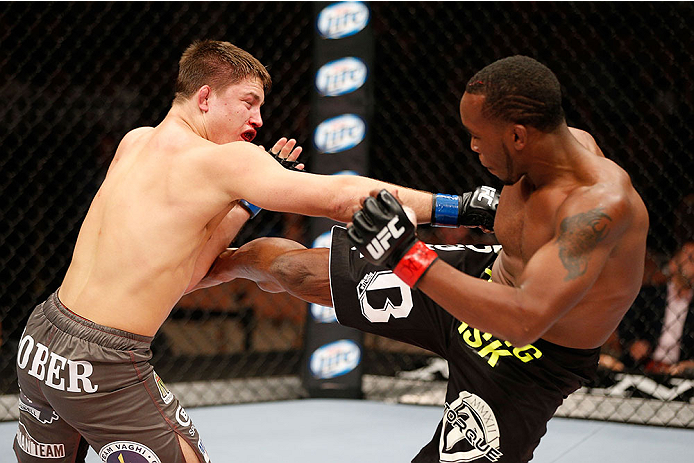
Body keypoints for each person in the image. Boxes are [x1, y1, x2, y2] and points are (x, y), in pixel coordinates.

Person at [13, 39, 457, 463]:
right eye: (248, 102)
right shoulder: (228, 162)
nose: (259, 119)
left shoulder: (135, 141)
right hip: (103, 363)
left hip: (40, 340)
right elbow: (343, 197)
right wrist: (457, 207)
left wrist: (247, 203)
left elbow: (184, 274)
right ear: (205, 97)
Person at [193, 56, 650, 462]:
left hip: (528, 357)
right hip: (485, 277)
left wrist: (406, 257)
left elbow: (525, 319)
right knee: (298, 271)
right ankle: (217, 267)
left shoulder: (598, 209)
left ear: (518, 135)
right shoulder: (539, 156)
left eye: (477, 137)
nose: (472, 148)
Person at [615, 241, 694, 376]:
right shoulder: (649, 295)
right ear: (673, 265)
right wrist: (634, 342)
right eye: (691, 259)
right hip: (644, 366)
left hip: (682, 371)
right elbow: (625, 325)